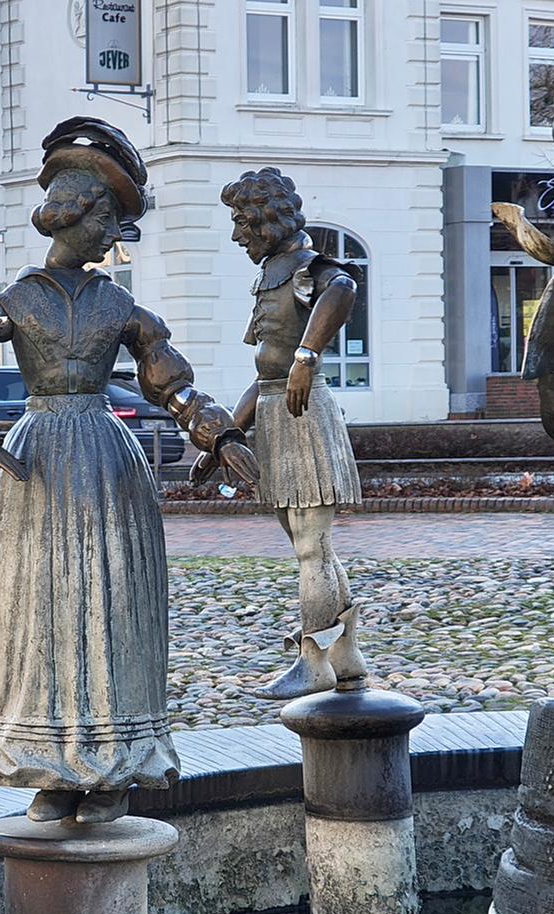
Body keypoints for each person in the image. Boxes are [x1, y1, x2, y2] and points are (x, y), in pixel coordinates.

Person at [0, 117, 257, 826]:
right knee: (40, 604)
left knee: (109, 601)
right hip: (34, 463)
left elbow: (171, 382)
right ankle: (47, 765)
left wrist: (219, 433)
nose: (112, 238)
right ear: (73, 214)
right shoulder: (13, 302)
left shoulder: (118, 304)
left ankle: (111, 767)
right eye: (107, 222)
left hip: (105, 462)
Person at [209, 168, 367, 699]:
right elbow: (265, 376)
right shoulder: (273, 275)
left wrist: (306, 356)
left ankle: (314, 660)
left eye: (242, 222)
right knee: (311, 545)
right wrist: (226, 436)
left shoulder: (309, 267)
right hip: (277, 409)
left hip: (303, 413)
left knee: (310, 548)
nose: (238, 235)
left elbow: (342, 286)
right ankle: (345, 655)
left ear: (266, 218)